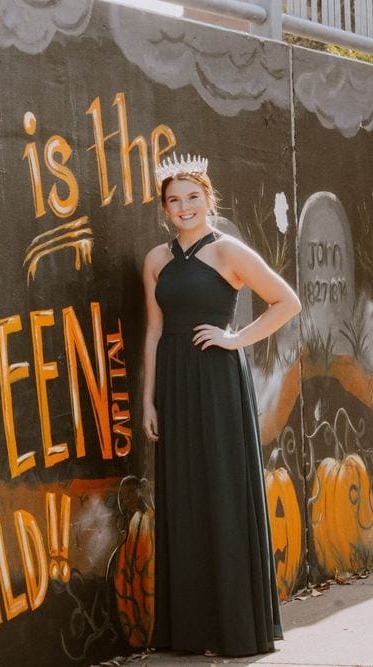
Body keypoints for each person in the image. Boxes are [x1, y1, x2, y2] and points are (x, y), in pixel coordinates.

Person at [142, 154, 300, 657]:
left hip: (216, 382)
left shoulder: (228, 251)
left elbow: (287, 302)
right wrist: (148, 400)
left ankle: (235, 628)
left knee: (223, 492)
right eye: (174, 200)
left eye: (193, 197)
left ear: (208, 199)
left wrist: (235, 340)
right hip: (174, 385)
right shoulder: (156, 260)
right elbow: (154, 330)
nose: (184, 207)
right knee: (184, 496)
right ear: (165, 208)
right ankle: (190, 631)